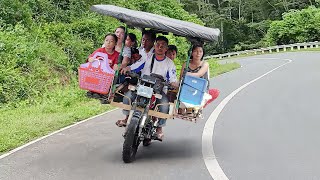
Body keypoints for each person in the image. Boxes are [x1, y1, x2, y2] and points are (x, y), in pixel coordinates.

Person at [117, 36, 178, 141]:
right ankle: (127, 118)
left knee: (164, 106)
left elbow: (172, 78)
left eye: (163, 45)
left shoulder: (170, 63)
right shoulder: (148, 57)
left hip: (158, 90)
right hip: (143, 86)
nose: (160, 47)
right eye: (158, 44)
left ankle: (159, 128)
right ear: (155, 45)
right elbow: (136, 66)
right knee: (128, 96)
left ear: (166, 48)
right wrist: (127, 68)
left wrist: (174, 83)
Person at [180, 44, 219, 108]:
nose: (198, 54)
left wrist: (186, 74)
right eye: (195, 51)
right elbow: (181, 78)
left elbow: (199, 74)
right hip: (188, 88)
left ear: (203, 53)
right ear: (192, 53)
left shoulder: (205, 64)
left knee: (216, 92)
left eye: (200, 51)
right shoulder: (186, 64)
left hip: (201, 89)